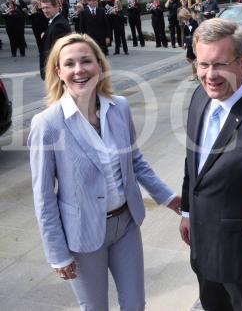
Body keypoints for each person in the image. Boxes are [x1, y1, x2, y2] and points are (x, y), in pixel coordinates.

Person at [28, 33, 181, 310]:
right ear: (58, 72)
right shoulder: (47, 124)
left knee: (135, 304)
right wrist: (57, 254)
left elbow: (135, 161)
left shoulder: (119, 107)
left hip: (126, 225)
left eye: (86, 61)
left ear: (100, 65)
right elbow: (44, 198)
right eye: (70, 63)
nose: (79, 70)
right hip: (83, 234)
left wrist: (169, 198)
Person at [179, 18, 242, 311]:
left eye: (219, 65)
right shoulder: (201, 96)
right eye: (202, 64)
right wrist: (187, 211)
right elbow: (192, 164)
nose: (209, 75)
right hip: (202, 249)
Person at [39, 0, 71, 80]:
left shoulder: (59, 25)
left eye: (47, 7)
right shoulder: (54, 22)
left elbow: (58, 51)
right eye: (43, 8)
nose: (45, 11)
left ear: (56, 7)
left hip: (56, 71)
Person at [178, 8, 198, 81]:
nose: (182, 20)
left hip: (194, 43)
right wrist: (185, 43)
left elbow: (195, 32)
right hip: (189, 43)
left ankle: (195, 74)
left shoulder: (193, 22)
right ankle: (196, 73)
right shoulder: (186, 23)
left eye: (182, 18)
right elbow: (186, 34)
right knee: (190, 59)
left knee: (191, 58)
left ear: (185, 16)